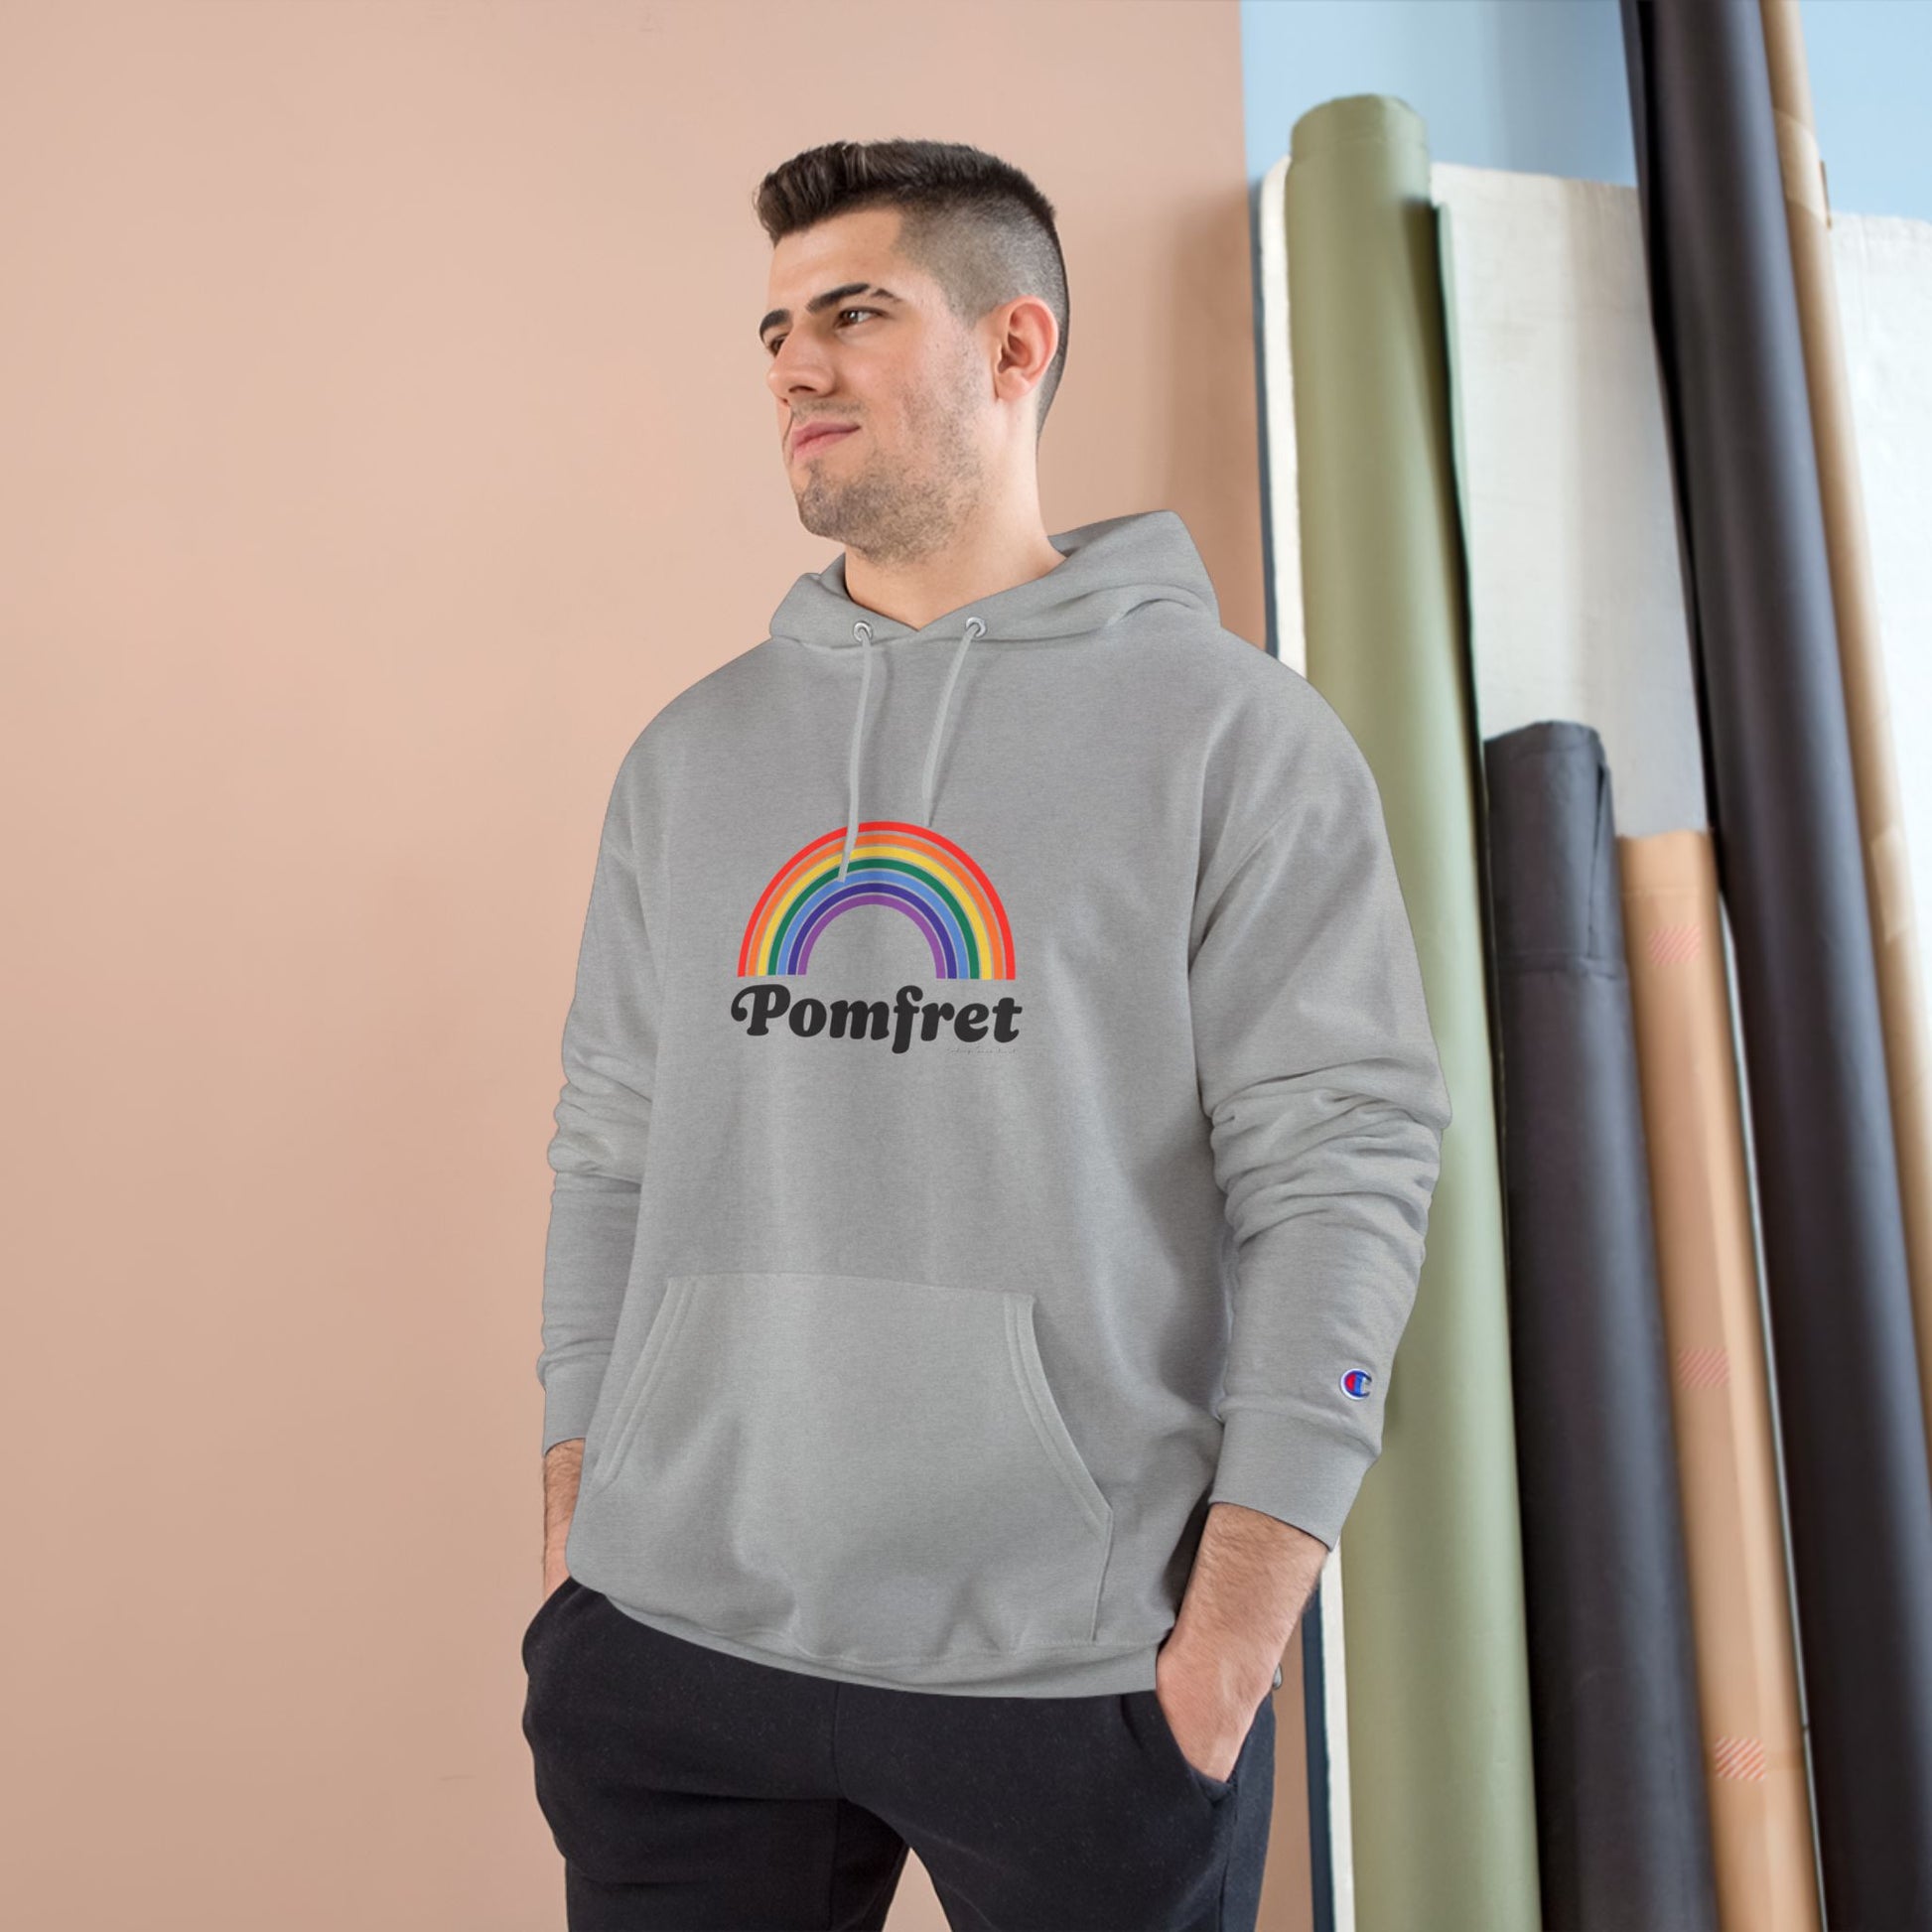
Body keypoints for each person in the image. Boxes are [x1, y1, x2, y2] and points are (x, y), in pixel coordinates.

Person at [519, 137, 1451, 1932]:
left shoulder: (1234, 739)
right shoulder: (692, 758)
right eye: (775, 328)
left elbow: (1340, 1168)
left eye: (855, 313)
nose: (793, 366)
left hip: (1076, 1666)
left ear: (1015, 345)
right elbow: (608, 1141)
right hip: (674, 1646)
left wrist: (1236, 1627)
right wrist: (580, 1518)